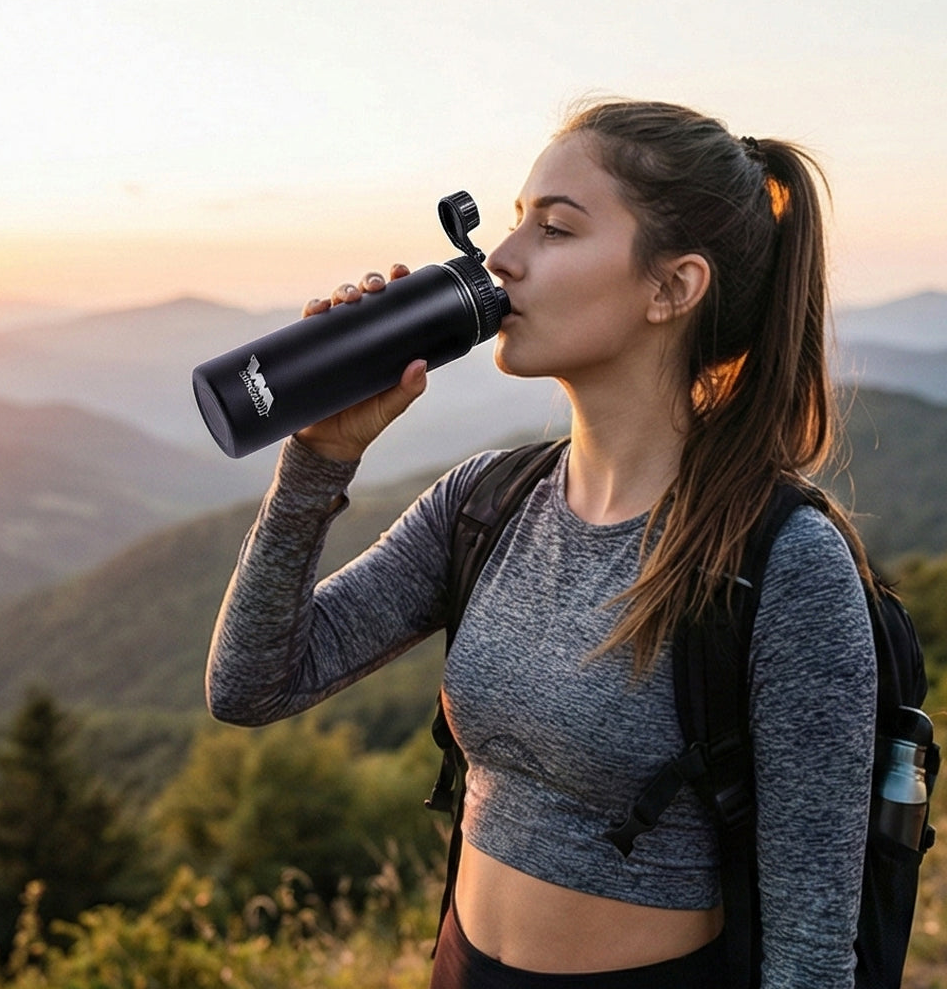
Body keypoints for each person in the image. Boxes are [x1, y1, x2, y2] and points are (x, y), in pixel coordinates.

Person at [205, 98, 877, 988]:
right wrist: (316, 459)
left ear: (672, 288)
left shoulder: (781, 562)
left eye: (555, 230)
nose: (502, 259)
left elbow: (810, 944)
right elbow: (251, 685)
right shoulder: (484, 504)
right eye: (514, 221)